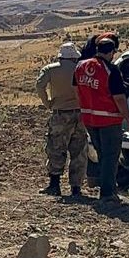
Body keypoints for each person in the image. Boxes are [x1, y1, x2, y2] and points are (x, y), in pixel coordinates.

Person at [74, 37, 129, 202]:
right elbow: (119, 98)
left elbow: (76, 89)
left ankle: (106, 188)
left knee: (102, 155)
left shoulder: (81, 66)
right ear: (111, 52)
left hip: (89, 118)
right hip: (109, 120)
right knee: (110, 156)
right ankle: (108, 193)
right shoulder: (111, 70)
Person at [36, 42, 88, 197]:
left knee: (56, 149)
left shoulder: (50, 70)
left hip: (60, 114)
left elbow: (39, 86)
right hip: (80, 115)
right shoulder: (82, 70)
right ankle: (76, 188)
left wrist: (48, 103)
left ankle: (54, 185)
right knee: (79, 151)